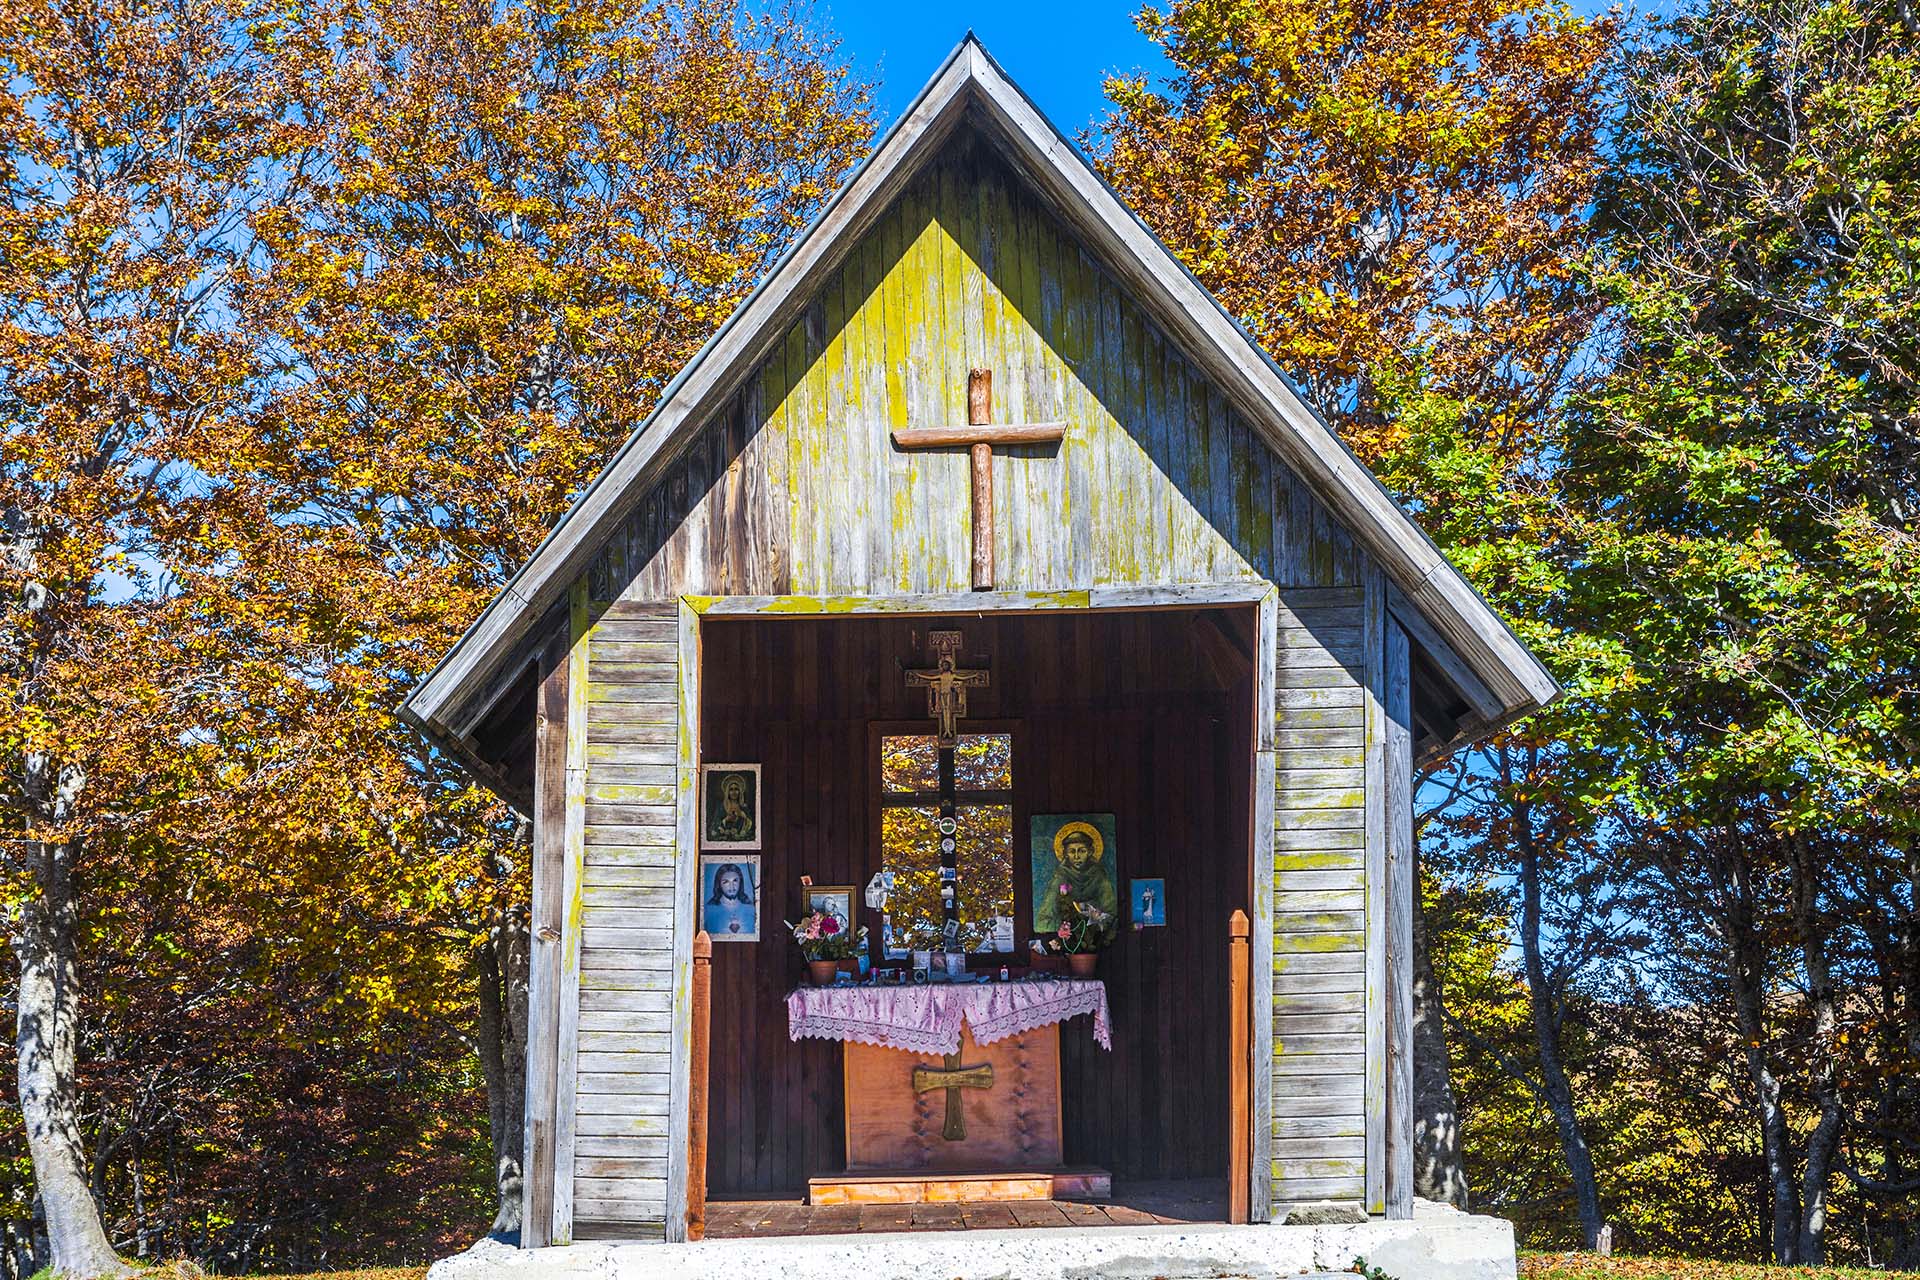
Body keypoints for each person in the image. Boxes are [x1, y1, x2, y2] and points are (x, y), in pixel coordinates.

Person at [704, 862, 757, 936]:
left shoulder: (751, 909)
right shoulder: (708, 910)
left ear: (740, 882)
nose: (731, 886)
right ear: (719, 884)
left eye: (735, 881)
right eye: (726, 882)